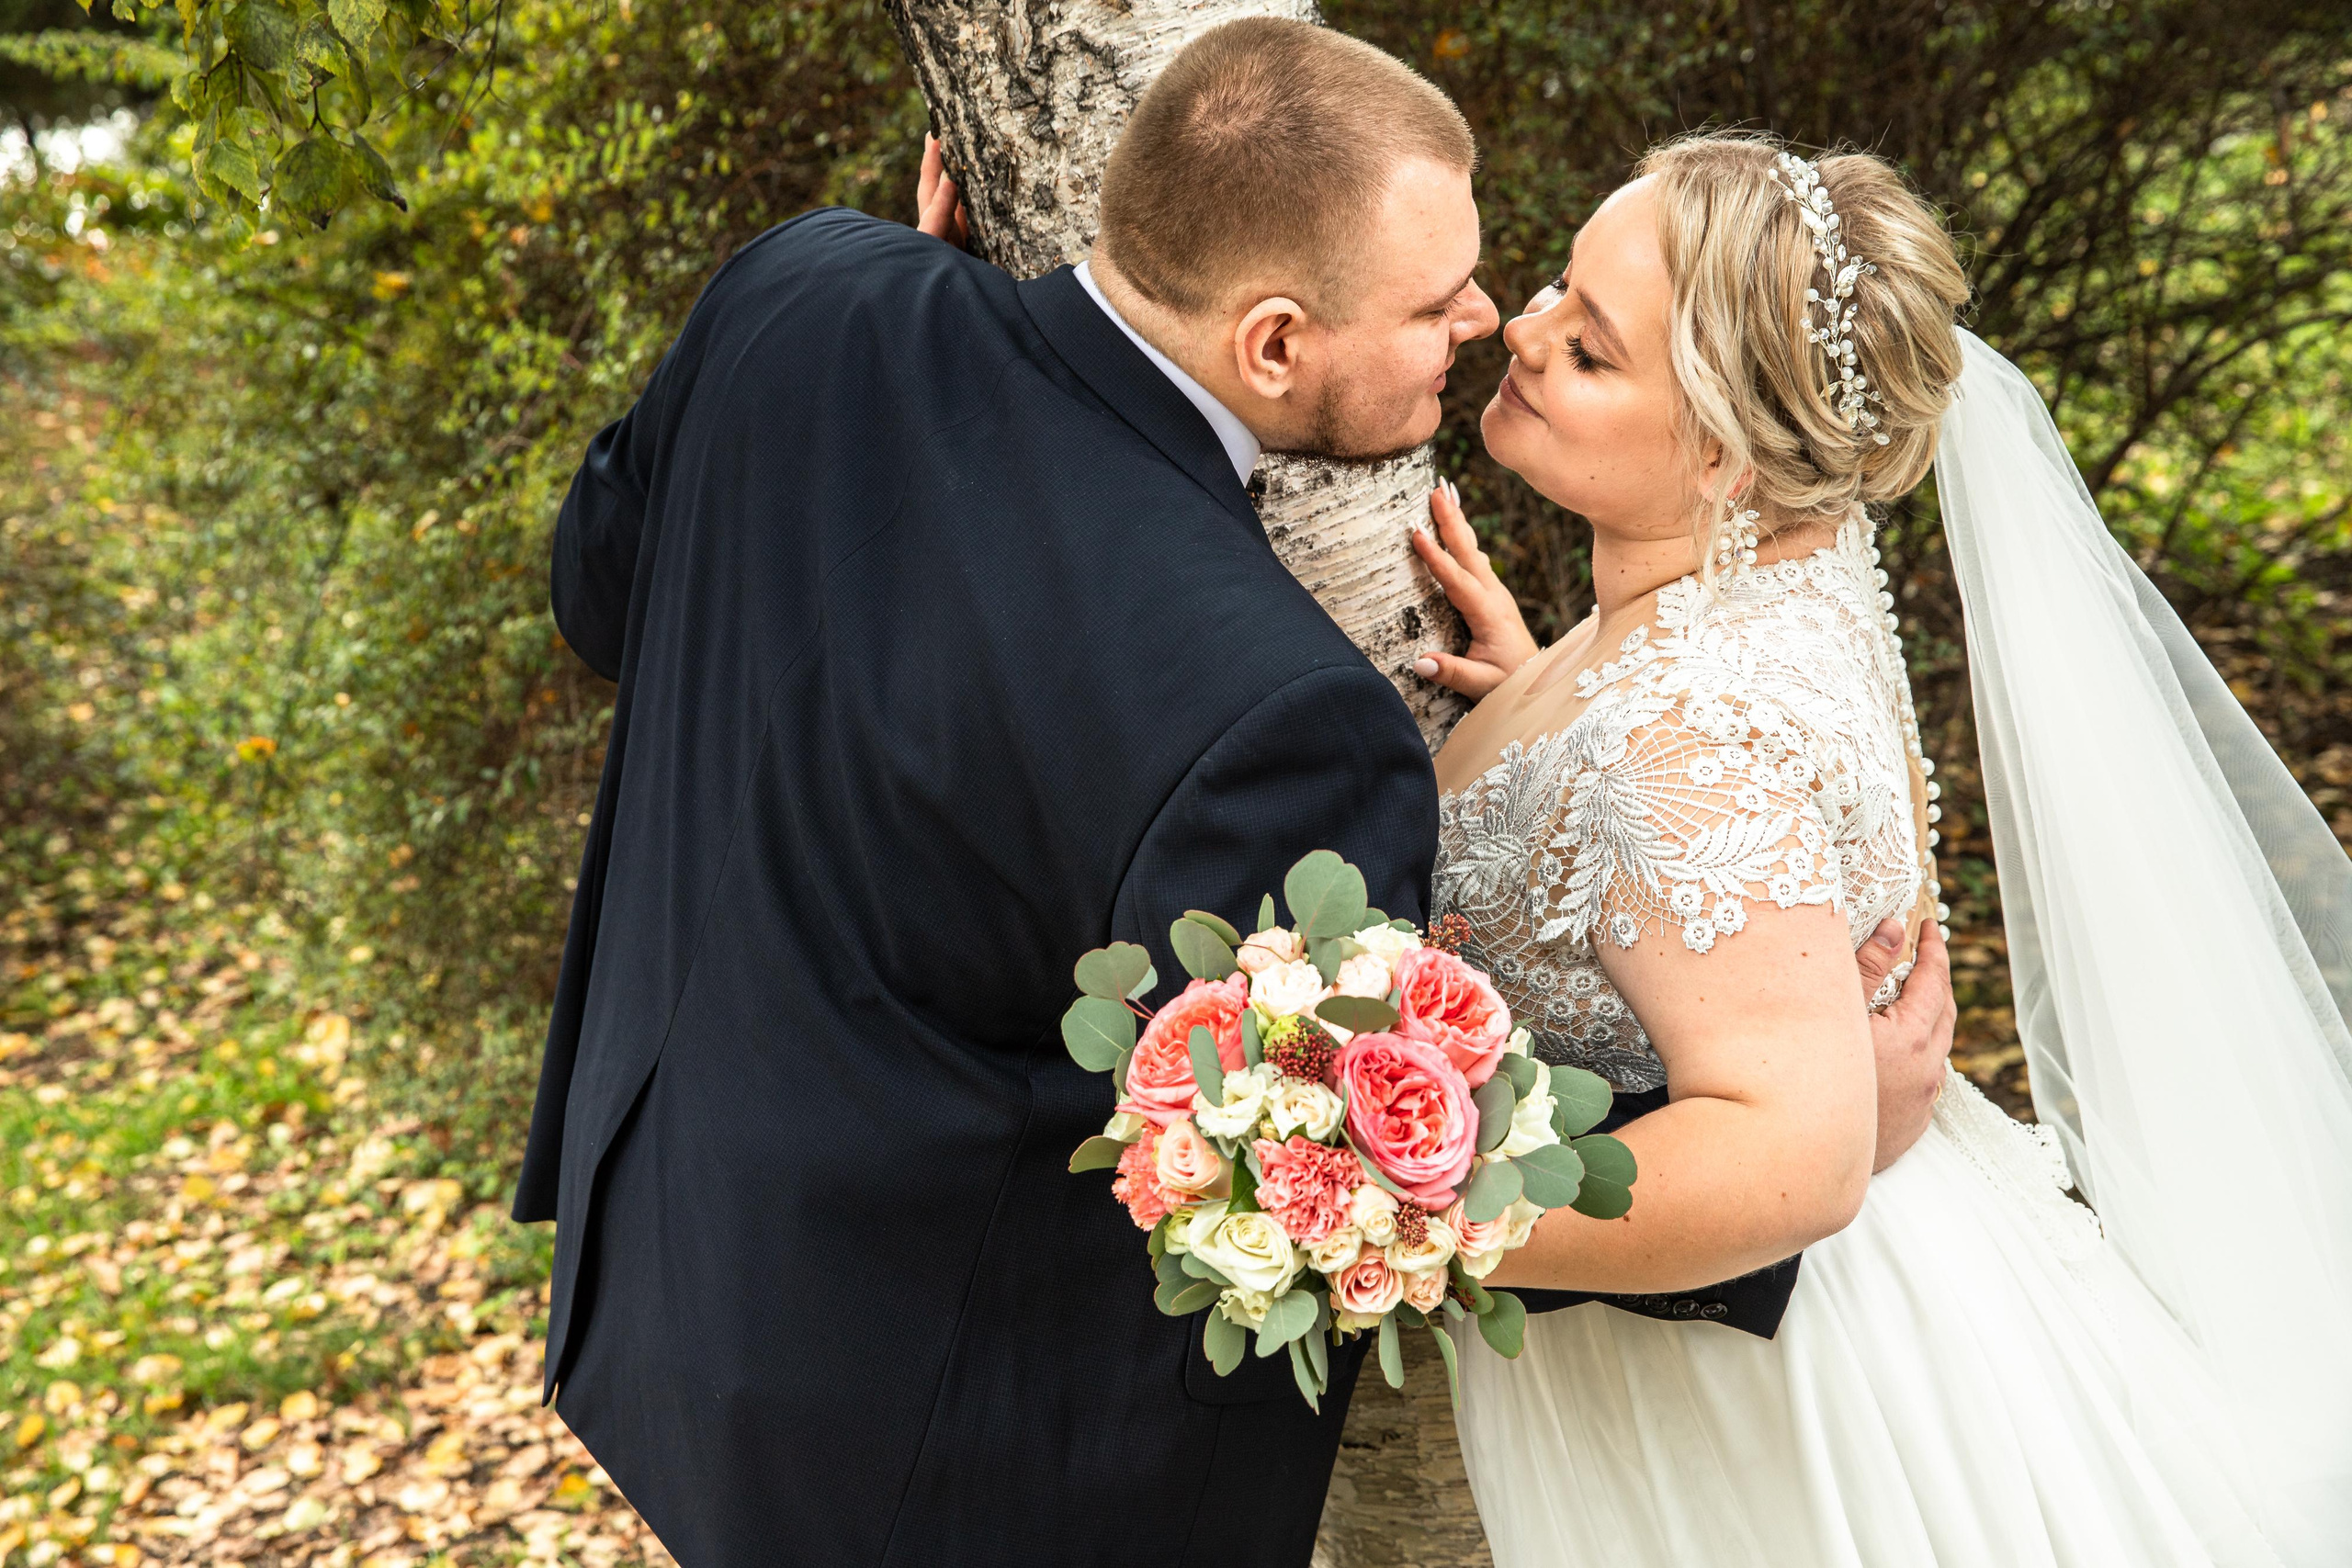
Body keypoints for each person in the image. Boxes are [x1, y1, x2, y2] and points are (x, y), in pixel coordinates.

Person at [511, 18, 1956, 1562]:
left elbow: (607, 597)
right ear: (1274, 342)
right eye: (1442, 301)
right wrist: (1840, 1139)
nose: (1490, 320)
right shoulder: (1269, 711)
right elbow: (1288, 1168)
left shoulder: (805, 290)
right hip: (927, 1442)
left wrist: (920, 324)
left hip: (665, 1243)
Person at [1410, 130, 2352, 1567]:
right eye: (1555, 287)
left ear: (1724, 455)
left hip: (1770, 1406)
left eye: (1592, 351)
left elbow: (1793, 1161)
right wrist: (1542, 706)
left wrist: (1389, 1209)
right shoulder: (1794, 564)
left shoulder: (1683, 739)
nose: (1522, 334)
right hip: (1908, 1283)